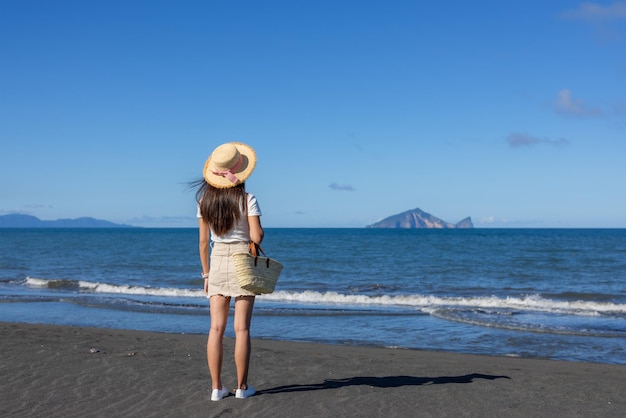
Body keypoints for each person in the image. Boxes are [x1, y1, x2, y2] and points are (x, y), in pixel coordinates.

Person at [195, 142, 264, 401]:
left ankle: (216, 388)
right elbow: (256, 236)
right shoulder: (248, 200)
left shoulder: (204, 201)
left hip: (218, 262)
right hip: (243, 262)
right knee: (242, 330)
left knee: (216, 329)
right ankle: (242, 388)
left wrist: (206, 275)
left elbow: (203, 243)